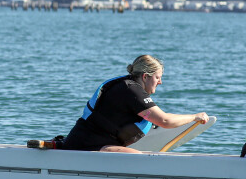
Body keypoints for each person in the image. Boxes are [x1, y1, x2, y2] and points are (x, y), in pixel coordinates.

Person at [56, 55, 209, 153]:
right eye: (157, 77)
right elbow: (164, 120)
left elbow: (161, 119)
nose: (160, 82)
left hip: (87, 142)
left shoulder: (127, 86)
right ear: (145, 77)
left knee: (139, 157)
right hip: (84, 146)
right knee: (139, 159)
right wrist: (195, 117)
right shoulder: (131, 90)